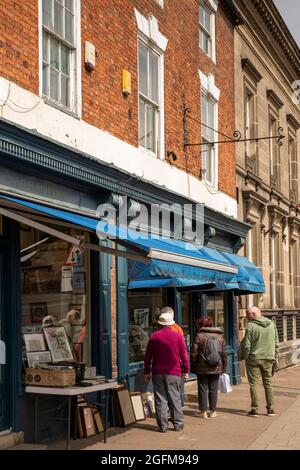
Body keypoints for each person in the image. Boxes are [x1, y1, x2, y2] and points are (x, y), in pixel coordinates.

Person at [144, 311, 189, 433]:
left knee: (160, 399)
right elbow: (184, 355)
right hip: (174, 372)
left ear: (160, 324)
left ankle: (162, 426)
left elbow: (148, 356)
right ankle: (178, 424)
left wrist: (146, 372)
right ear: (171, 323)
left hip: (158, 372)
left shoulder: (154, 336)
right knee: (175, 398)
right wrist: (186, 370)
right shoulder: (178, 336)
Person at [238, 306, 279, 418]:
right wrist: (275, 355)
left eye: (248, 315)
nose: (247, 317)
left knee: (254, 384)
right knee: (268, 384)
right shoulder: (271, 324)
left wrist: (246, 357)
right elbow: (276, 341)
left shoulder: (251, 325)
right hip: (268, 358)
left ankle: (255, 409)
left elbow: (246, 345)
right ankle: (270, 409)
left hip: (254, 359)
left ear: (254, 314)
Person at [190, 317, 227, 419]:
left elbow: (194, 352)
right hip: (216, 367)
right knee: (213, 389)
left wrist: (193, 363)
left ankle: (203, 412)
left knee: (202, 389)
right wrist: (224, 367)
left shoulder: (199, 336)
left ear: (201, 325)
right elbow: (224, 353)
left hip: (202, 367)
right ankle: (213, 411)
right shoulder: (220, 336)